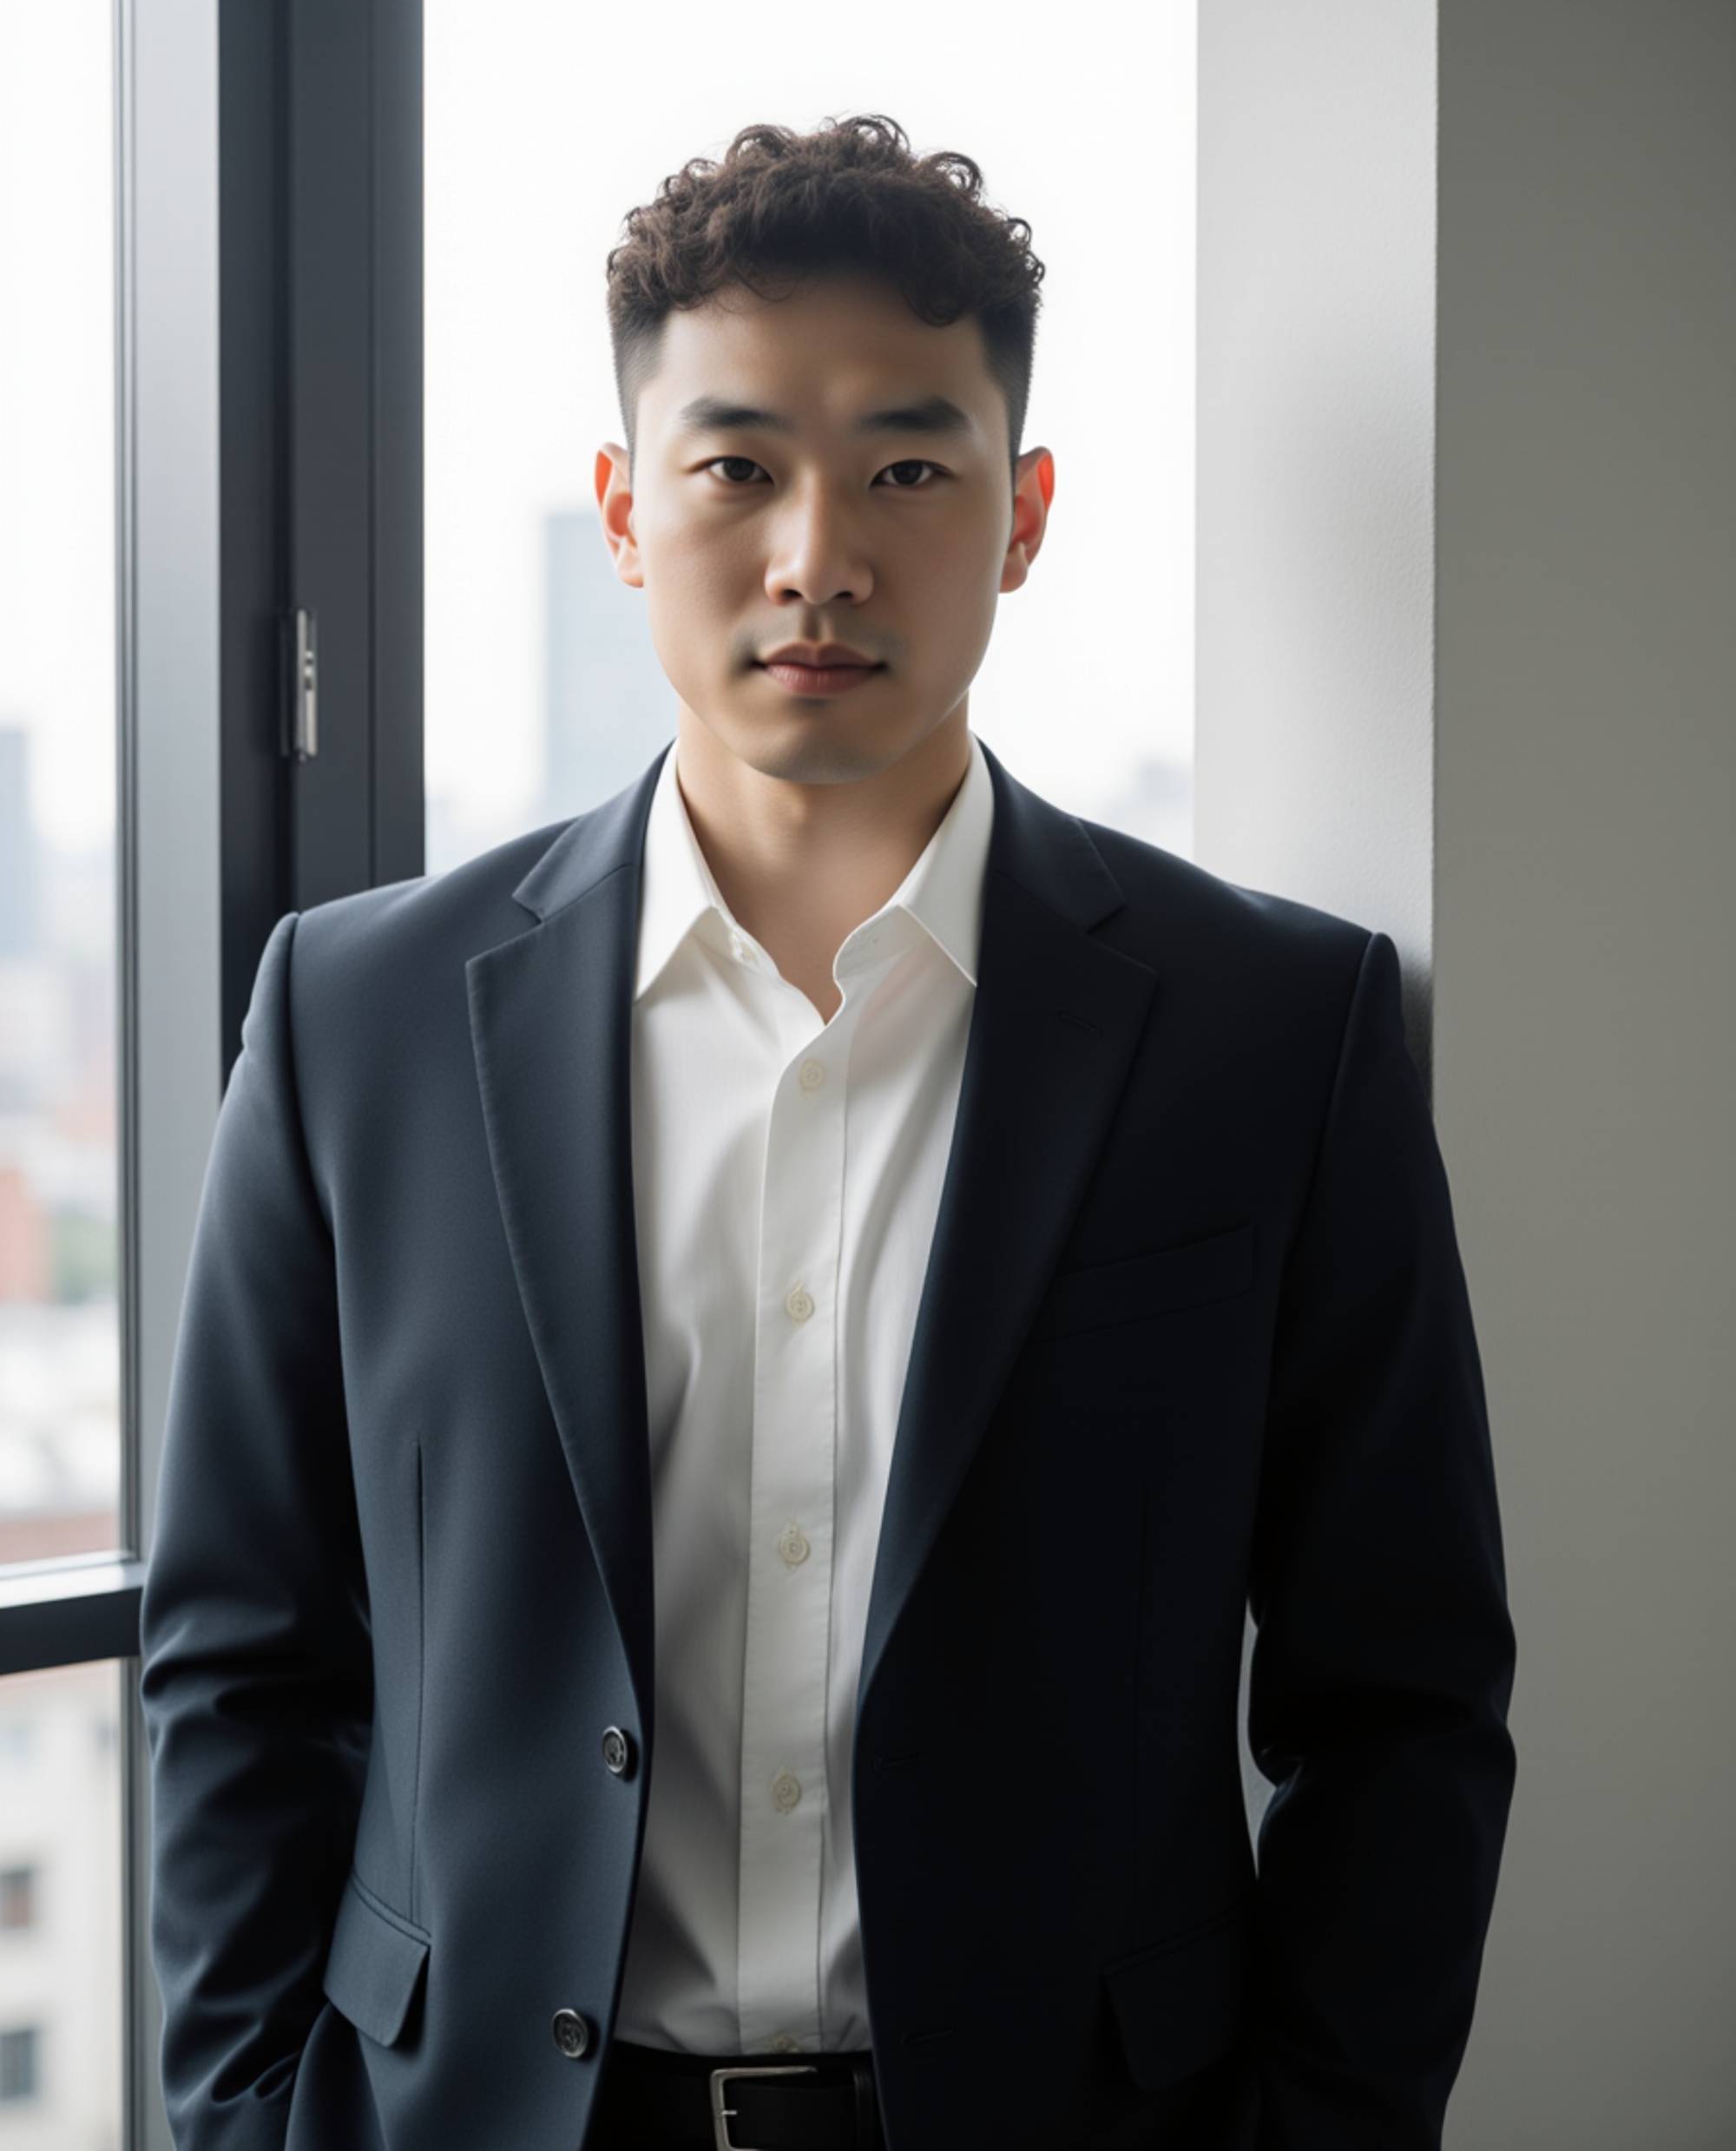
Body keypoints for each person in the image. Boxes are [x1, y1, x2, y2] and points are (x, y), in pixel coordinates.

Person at [139, 112, 1516, 2151]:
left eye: (904, 465)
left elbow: (1398, 1694)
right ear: (622, 507)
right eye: (734, 468)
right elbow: (241, 1667)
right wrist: (245, 2119)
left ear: (1023, 509)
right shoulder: (357, 1019)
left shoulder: (1271, 1028)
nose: (816, 556)